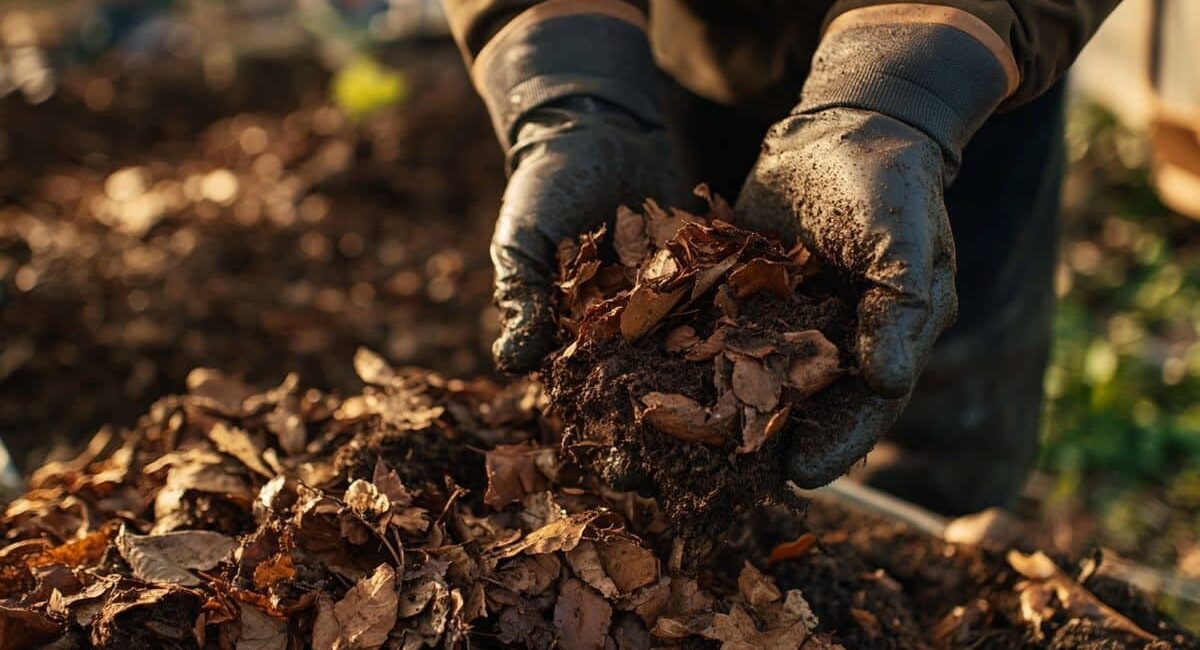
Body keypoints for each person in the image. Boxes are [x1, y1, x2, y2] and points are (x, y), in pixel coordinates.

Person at [440, 0, 1122, 516]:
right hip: (681, 52)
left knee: (938, 382)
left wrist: (905, 94)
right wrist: (570, 84)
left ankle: (938, 543)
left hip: (964, 77)